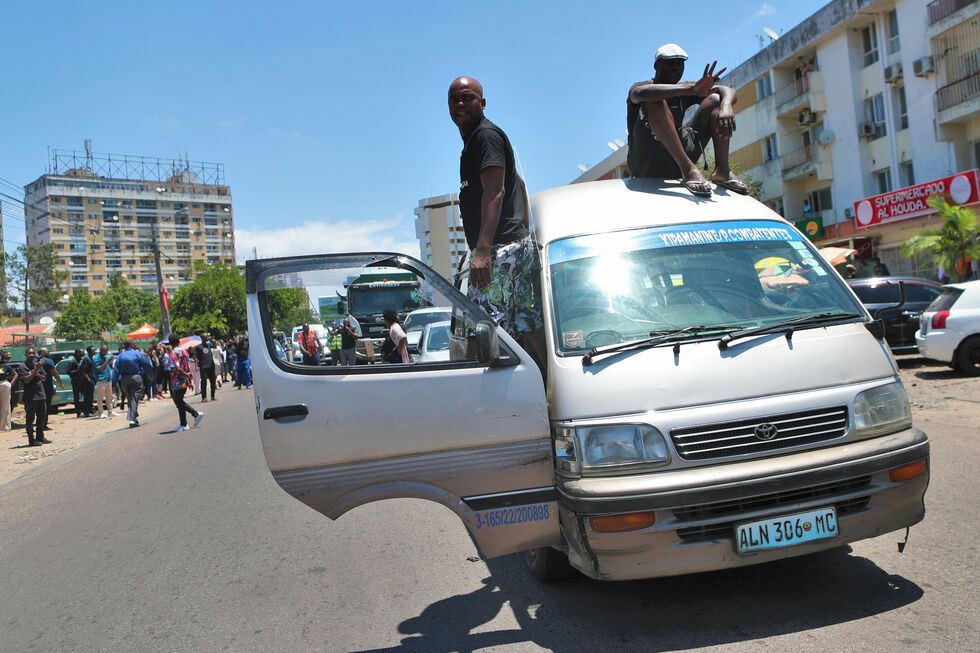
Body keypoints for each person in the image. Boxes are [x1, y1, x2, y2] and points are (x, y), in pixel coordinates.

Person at [448, 76, 543, 338]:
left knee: (481, 331)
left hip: (498, 251)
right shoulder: (474, 142)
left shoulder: (485, 136)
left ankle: (486, 381)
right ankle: (544, 379)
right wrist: (523, 231)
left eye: (467, 97)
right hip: (511, 246)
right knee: (525, 326)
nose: (460, 103)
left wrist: (483, 250)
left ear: (483, 102)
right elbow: (518, 182)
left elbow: (495, 191)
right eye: (454, 99)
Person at [626, 43, 744, 197]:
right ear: (656, 65)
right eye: (669, 63)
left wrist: (726, 105)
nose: (675, 68)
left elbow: (727, 90)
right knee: (655, 99)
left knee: (716, 100)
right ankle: (688, 169)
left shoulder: (687, 87)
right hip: (646, 162)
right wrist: (692, 90)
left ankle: (722, 170)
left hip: (673, 161)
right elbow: (639, 93)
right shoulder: (643, 86)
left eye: (679, 64)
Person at [111, 340, 153, 428]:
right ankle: (132, 420)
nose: (136, 344)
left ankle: (134, 418)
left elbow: (115, 371)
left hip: (124, 379)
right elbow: (146, 364)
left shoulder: (119, 356)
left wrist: (114, 384)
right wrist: (150, 374)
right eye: (134, 343)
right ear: (131, 345)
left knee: (130, 399)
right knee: (134, 398)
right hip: (136, 378)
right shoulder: (137, 354)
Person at [166, 334, 204, 432]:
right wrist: (188, 379)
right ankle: (194, 415)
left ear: (170, 343)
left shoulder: (173, 353)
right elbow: (186, 366)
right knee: (178, 401)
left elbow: (177, 368)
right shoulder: (183, 351)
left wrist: (186, 376)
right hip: (182, 379)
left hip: (177, 380)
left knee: (178, 401)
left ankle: (185, 422)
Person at [13, 347, 50, 445]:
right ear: (25, 354)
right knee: (30, 418)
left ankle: (40, 437)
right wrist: (36, 371)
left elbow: (44, 378)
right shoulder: (22, 367)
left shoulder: (37, 365)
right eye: (29, 353)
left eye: (33, 353)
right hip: (30, 396)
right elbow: (26, 380)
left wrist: (36, 371)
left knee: (41, 417)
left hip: (41, 394)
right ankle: (31, 440)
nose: (32, 355)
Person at [37, 347, 64, 432]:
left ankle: (39, 424)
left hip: (36, 387)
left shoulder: (34, 361)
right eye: (48, 351)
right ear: (43, 353)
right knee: (46, 406)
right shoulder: (49, 361)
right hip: (47, 387)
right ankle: (43, 424)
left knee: (38, 407)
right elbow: (55, 373)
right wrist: (60, 383)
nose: (49, 353)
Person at [92, 344, 118, 418]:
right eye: (104, 351)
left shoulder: (106, 356)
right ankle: (101, 412)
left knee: (109, 397)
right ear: (101, 350)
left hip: (108, 379)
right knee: (100, 398)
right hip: (101, 380)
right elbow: (99, 368)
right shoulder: (95, 358)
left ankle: (110, 411)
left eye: (106, 351)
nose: (106, 353)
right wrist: (106, 362)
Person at [66, 349, 92, 418]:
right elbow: (68, 372)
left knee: (86, 395)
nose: (83, 353)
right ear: (78, 353)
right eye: (82, 352)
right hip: (75, 381)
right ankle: (78, 412)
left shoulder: (82, 360)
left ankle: (86, 410)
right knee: (76, 397)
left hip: (82, 381)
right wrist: (77, 371)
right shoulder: (72, 361)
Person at [193, 334, 218, 402]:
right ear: (202, 338)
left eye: (207, 336)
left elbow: (215, 346)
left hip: (211, 365)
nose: (207, 337)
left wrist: (211, 340)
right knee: (204, 382)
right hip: (203, 366)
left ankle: (213, 396)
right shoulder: (198, 347)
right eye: (206, 336)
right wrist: (196, 362)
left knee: (213, 381)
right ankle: (204, 397)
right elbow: (195, 356)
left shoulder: (209, 345)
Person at [0, 350, 13, 431]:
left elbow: (15, 374)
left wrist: (10, 384)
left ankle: (5, 426)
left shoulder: (5, 366)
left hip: (4, 385)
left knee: (5, 406)